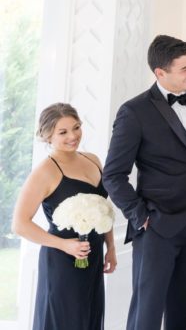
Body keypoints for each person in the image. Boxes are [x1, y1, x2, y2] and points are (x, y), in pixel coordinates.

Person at [103, 35, 186, 330]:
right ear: (160, 73)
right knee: (148, 309)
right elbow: (113, 175)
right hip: (156, 226)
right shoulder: (134, 112)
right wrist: (141, 216)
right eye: (185, 69)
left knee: (183, 306)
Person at [13, 104, 116, 330]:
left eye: (76, 127)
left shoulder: (93, 160)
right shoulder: (45, 172)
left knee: (89, 318)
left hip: (94, 257)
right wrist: (64, 245)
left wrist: (111, 247)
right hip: (62, 262)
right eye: (63, 132)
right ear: (47, 135)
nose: (73, 136)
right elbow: (20, 224)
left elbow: (103, 208)